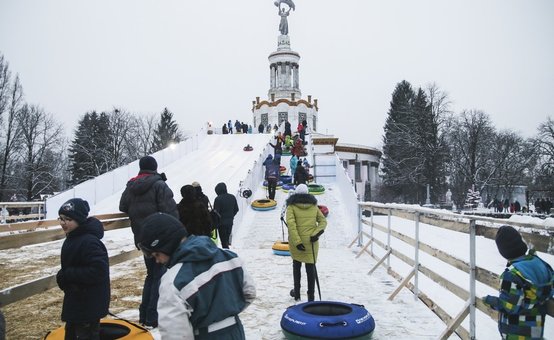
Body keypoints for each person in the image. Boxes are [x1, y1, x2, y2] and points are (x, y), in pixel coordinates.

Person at [137, 213, 256, 339]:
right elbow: (249, 292)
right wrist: (226, 314)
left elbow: (176, 334)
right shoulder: (230, 257)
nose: (157, 261)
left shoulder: (173, 281)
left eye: (156, 255)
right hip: (235, 332)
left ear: (167, 245)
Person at [119, 155, 178, 328]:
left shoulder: (131, 186)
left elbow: (123, 206)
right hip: (160, 239)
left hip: (142, 238)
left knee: (151, 276)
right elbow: (170, 211)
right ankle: (153, 317)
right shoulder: (159, 185)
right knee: (158, 276)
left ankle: (145, 315)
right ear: (155, 167)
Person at [483, 226, 553, 339]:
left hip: (516, 332)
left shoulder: (512, 275)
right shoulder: (539, 263)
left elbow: (509, 306)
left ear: (504, 252)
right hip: (536, 329)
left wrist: (489, 300)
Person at [56, 198, 110, 339]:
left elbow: (99, 271)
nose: (63, 223)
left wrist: (67, 275)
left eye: (68, 219)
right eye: (61, 218)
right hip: (77, 301)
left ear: (79, 220)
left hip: (87, 304)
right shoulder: (73, 237)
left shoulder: (89, 241)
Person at [286, 184, 327, 302]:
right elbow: (323, 222)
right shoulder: (314, 206)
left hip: (296, 242)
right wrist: (316, 234)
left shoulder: (291, 207)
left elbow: (291, 226)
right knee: (310, 269)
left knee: (296, 266)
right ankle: (311, 297)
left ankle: (297, 294)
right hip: (311, 242)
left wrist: (297, 241)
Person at [213, 182, 239, 249]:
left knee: (224, 242)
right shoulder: (232, 197)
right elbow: (236, 209)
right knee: (227, 240)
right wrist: (231, 216)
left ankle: (226, 254)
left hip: (221, 223)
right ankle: (227, 251)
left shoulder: (218, 199)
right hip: (230, 222)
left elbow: (216, 212)